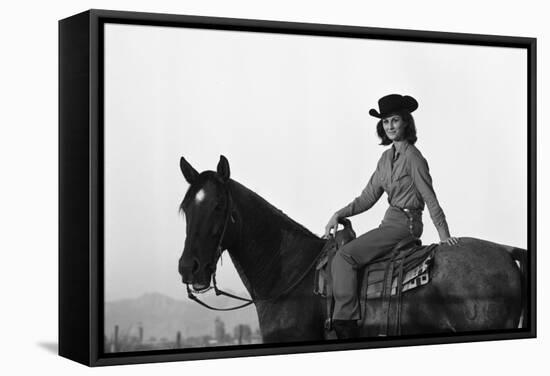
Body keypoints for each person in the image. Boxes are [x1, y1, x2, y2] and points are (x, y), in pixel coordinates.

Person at [323, 94, 459, 339]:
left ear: (406, 122)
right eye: (386, 122)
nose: (390, 126)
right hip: (389, 221)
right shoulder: (385, 159)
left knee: (344, 257)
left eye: (395, 120)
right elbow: (366, 198)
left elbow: (430, 197)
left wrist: (444, 234)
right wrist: (338, 214)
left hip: (405, 224)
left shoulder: (414, 158)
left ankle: (345, 322)